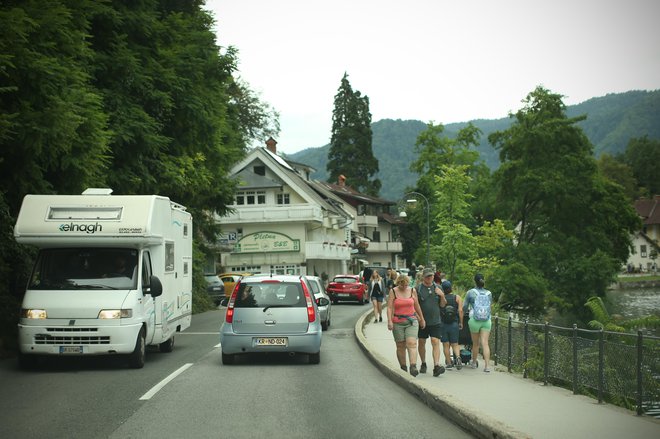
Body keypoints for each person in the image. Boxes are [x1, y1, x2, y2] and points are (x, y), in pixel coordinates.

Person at [387, 274, 426, 376]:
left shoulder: (412, 290)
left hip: (411, 320)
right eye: (401, 284)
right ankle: (403, 368)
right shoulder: (393, 291)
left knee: (411, 343)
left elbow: (416, 305)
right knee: (400, 346)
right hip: (397, 321)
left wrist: (421, 319)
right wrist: (389, 321)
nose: (404, 287)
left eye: (406, 284)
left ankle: (413, 366)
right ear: (398, 283)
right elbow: (390, 307)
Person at [416, 268, 447, 376]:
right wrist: (419, 319)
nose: (430, 278)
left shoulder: (438, 287)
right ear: (423, 277)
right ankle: (423, 363)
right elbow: (415, 306)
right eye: (427, 276)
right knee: (421, 342)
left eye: (431, 276)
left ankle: (436, 366)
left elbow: (443, 305)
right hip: (422, 321)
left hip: (435, 320)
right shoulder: (418, 289)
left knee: (435, 341)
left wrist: (442, 295)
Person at [463, 273, 493, 372]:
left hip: (475, 320)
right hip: (486, 320)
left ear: (474, 281)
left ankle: (474, 362)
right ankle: (487, 366)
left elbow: (464, 307)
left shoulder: (470, 292)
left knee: (475, 343)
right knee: (485, 343)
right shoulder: (489, 293)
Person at [439, 280, 463, 369]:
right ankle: (458, 357)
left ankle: (449, 363)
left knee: (446, 344)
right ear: (451, 288)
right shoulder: (457, 297)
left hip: (444, 324)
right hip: (454, 323)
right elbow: (460, 310)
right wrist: (461, 322)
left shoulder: (441, 298)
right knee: (455, 343)